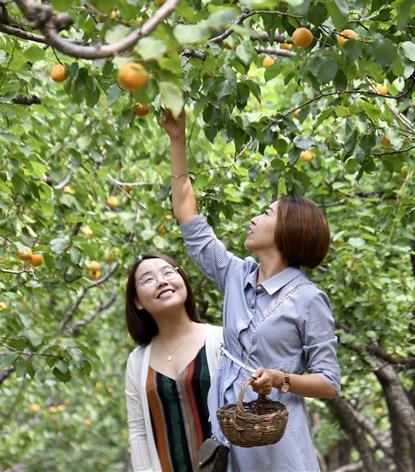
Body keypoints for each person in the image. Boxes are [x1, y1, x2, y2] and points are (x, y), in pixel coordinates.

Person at [161, 109, 340, 472]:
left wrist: (281, 378)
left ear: (290, 231)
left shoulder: (308, 299)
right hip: (230, 442)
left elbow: (329, 383)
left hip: (278, 449)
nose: (254, 219)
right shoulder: (235, 275)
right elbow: (188, 219)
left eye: (266, 213)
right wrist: (177, 140)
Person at [125, 252, 225, 472]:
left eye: (168, 272)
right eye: (148, 279)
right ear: (138, 302)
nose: (162, 281)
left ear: (183, 281)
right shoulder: (137, 361)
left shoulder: (220, 340)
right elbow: (139, 431)